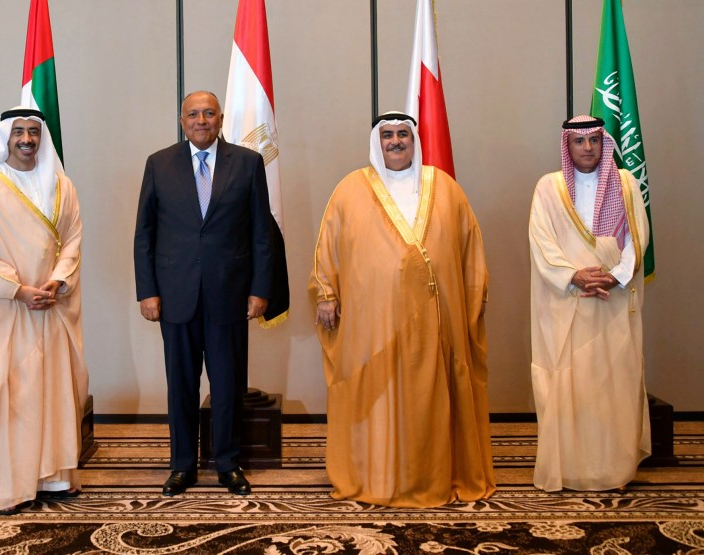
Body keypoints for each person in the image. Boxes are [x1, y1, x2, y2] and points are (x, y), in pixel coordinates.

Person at [309, 112, 495, 508]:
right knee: (376, 396)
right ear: (377, 141)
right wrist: (326, 293)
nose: (396, 142)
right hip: (369, 324)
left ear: (415, 140)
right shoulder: (350, 189)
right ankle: (374, 475)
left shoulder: (444, 188)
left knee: (429, 395)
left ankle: (432, 475)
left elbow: (470, 251)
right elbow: (328, 247)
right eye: (388, 135)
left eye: (404, 135)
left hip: (435, 322)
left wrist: (473, 302)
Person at [0, 107, 89, 514]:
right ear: (5, 138)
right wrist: (17, 289)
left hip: (50, 305)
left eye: (34, 132)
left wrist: (57, 281)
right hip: (3, 311)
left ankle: (51, 477)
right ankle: (1, 485)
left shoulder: (62, 186)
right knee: (7, 393)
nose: (27, 139)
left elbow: (72, 240)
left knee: (49, 388)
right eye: (19, 132)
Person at [134, 91, 275, 496]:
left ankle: (228, 464)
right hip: (175, 294)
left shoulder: (247, 164)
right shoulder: (159, 164)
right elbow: (144, 233)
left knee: (228, 384)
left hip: (229, 294)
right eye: (193, 114)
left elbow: (261, 234)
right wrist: (148, 291)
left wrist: (259, 289)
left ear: (220, 118)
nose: (201, 120)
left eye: (208, 113)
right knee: (180, 384)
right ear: (182, 120)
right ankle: (182, 466)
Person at [529, 115, 651, 492]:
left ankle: (612, 467)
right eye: (579, 142)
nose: (587, 148)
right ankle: (571, 468)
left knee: (611, 382)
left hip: (611, 299)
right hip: (567, 301)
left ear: (603, 143)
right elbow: (541, 240)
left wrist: (616, 275)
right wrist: (575, 276)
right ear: (567, 146)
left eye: (594, 141)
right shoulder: (549, 187)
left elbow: (638, 235)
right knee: (568, 383)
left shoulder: (626, 185)